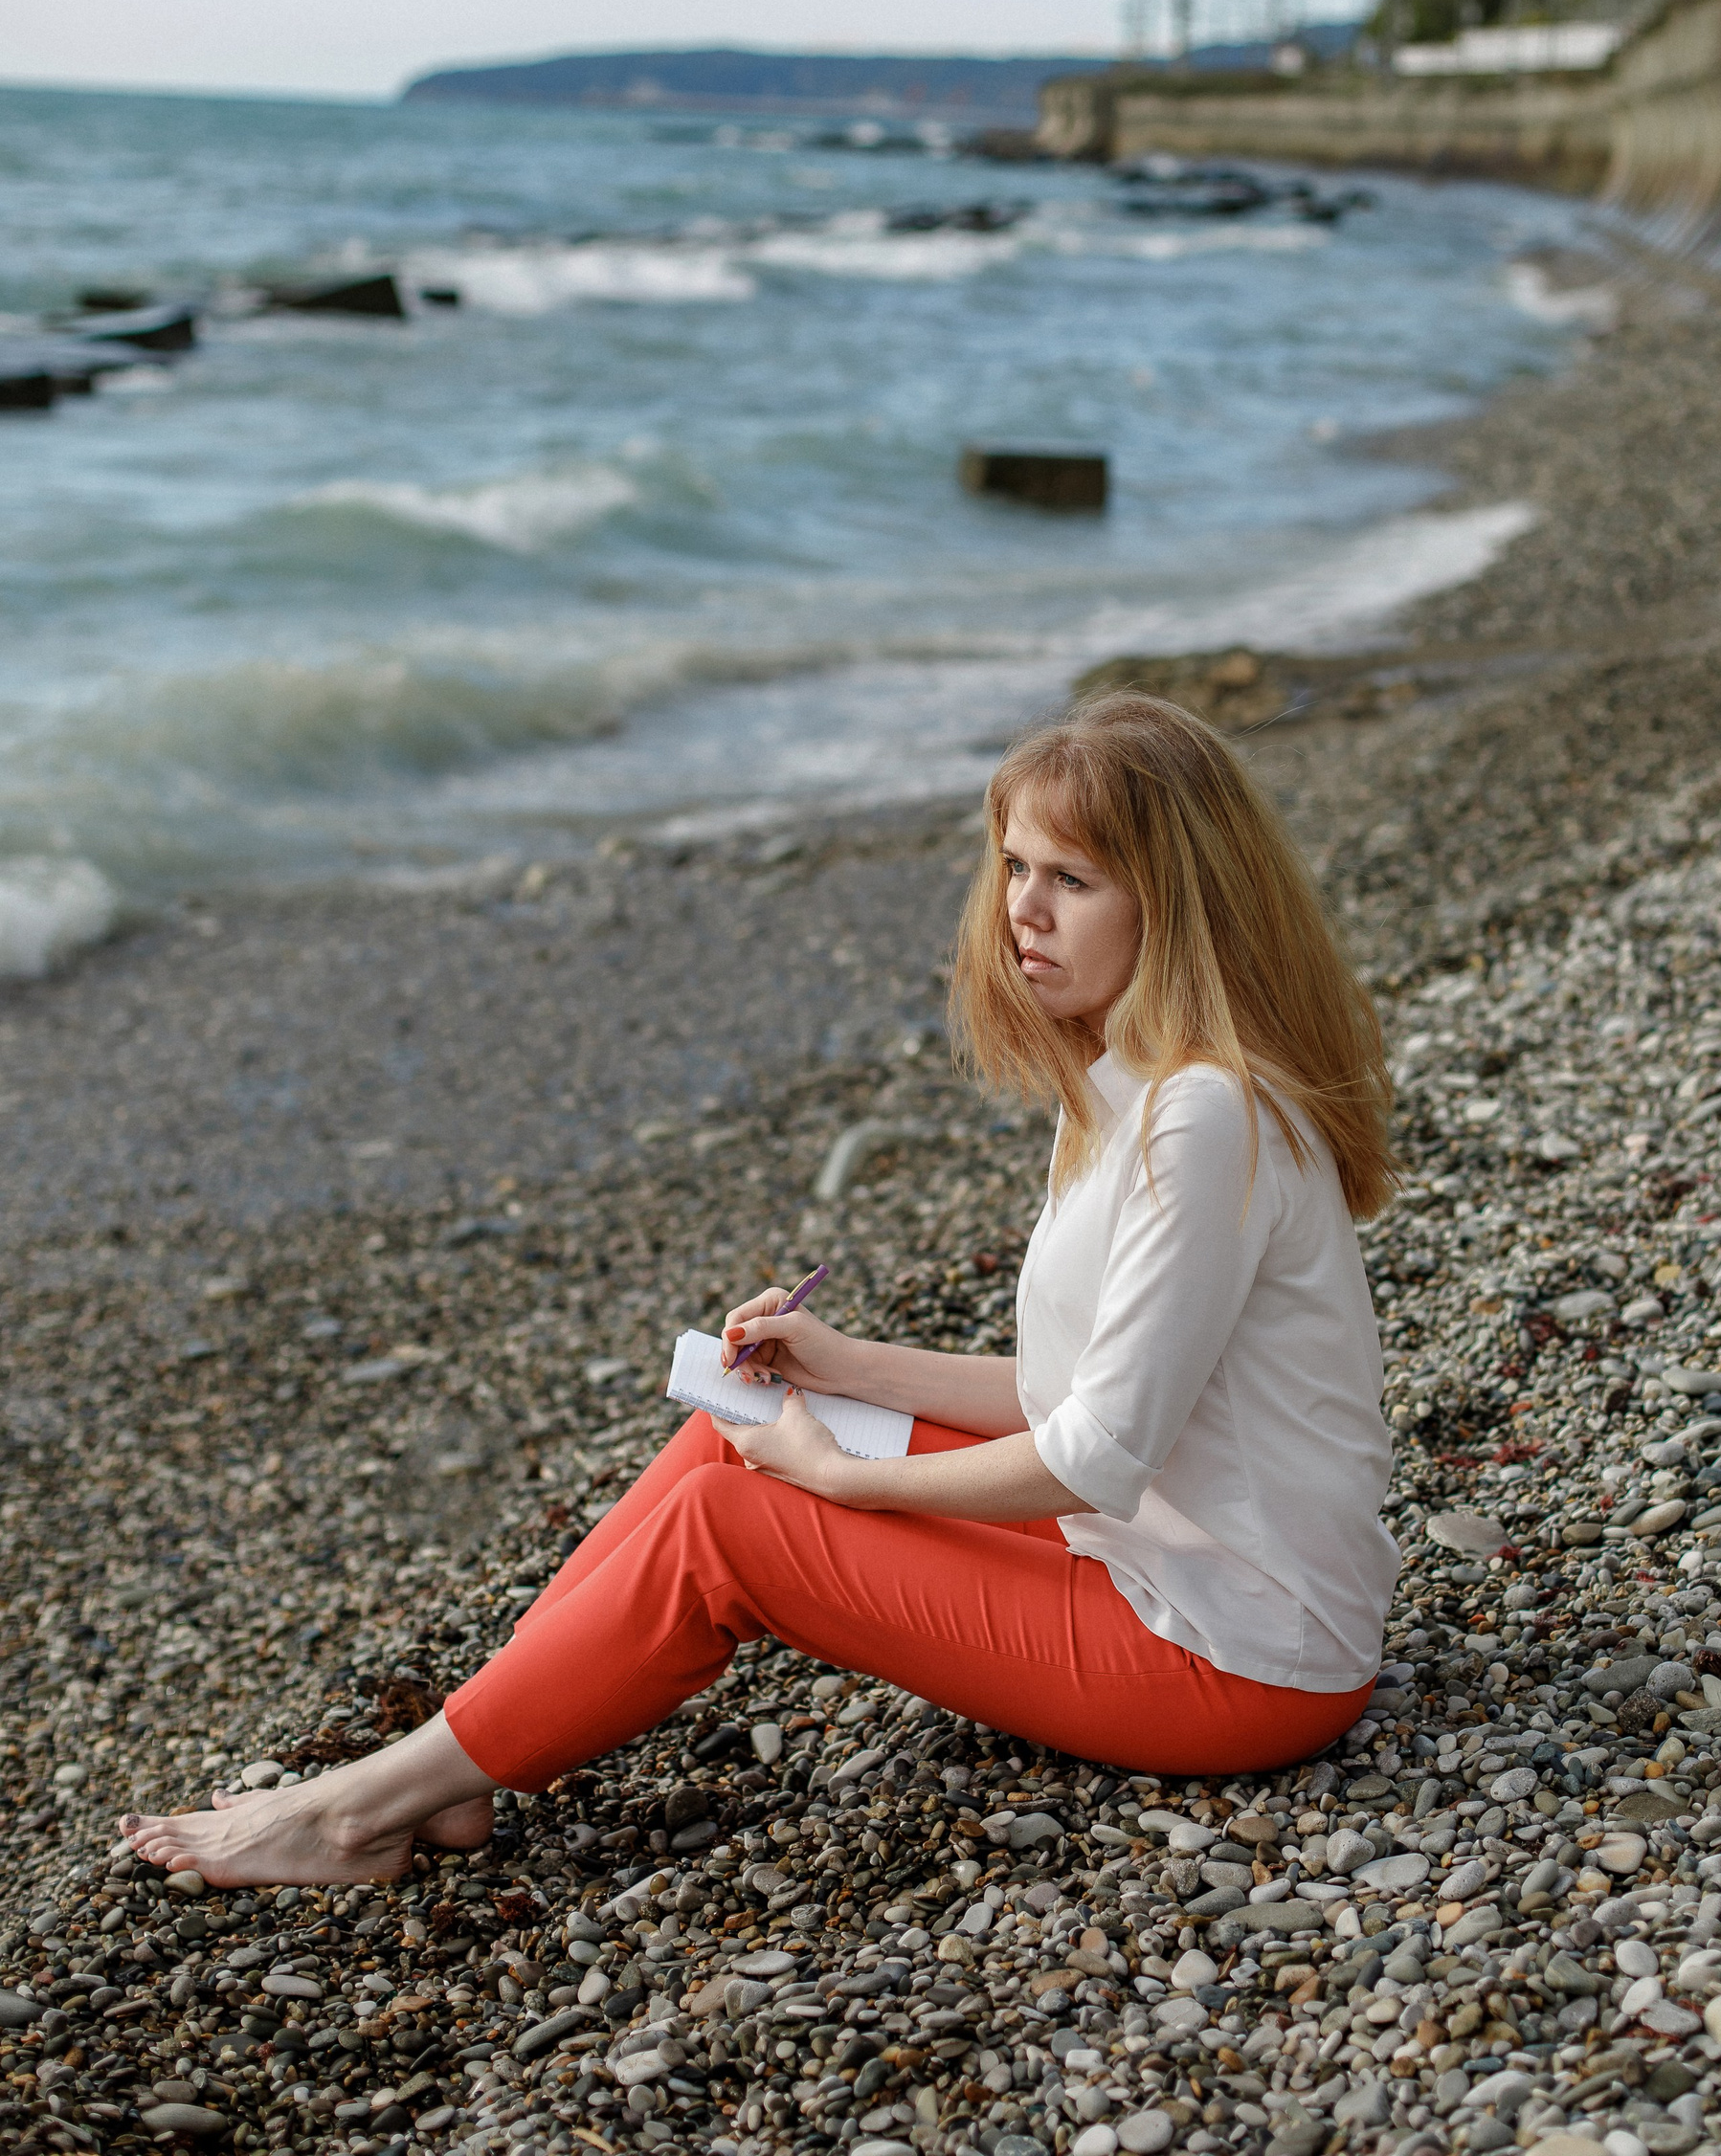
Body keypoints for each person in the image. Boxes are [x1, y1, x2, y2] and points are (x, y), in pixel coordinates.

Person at [120, 691, 1399, 1888]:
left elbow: (1097, 1453)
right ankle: (449, 1769)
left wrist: (841, 1478)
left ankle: (353, 1815)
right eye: (1015, 866)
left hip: (1241, 1654)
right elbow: (1079, 1392)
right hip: (1158, 1560)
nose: (1025, 911)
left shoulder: (1203, 1116)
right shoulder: (1124, 1082)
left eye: (1072, 879)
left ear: (1175, 902)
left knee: (735, 1528)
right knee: (730, 1429)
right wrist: (839, 1367)